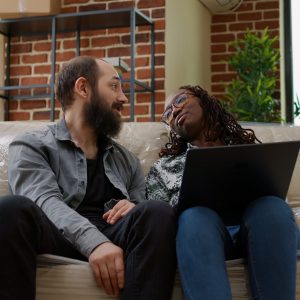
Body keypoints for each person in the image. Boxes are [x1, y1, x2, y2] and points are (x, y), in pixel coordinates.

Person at [1, 56, 177, 300]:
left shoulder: (127, 160)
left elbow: (144, 216)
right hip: (55, 236)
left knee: (157, 212)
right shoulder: (32, 145)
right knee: (10, 208)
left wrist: (134, 206)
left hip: (114, 234)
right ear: (83, 88)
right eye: (114, 86)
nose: (123, 98)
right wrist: (95, 243)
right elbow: (45, 202)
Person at [146, 85, 298, 300]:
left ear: (203, 100)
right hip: (201, 239)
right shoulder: (163, 168)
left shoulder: (249, 151)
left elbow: (275, 195)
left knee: (273, 208)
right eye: (168, 113)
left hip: (259, 233)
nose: (175, 110)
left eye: (180, 100)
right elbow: (159, 224)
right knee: (195, 217)